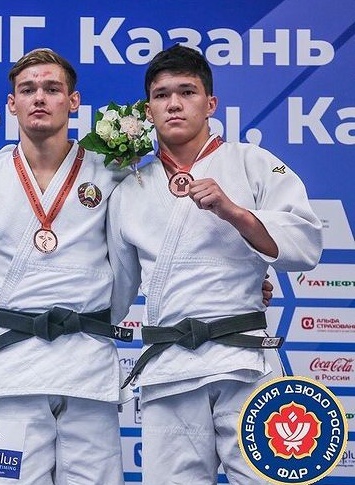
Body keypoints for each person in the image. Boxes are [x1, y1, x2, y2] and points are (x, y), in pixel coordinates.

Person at [107, 44, 323, 484]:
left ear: (210, 104)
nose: (174, 104)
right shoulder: (130, 188)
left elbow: (305, 244)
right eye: (162, 95)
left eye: (187, 92)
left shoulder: (252, 163)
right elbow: (116, 287)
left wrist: (235, 213)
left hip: (244, 360)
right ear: (148, 111)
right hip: (169, 368)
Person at [0, 48, 131, 484]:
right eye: (27, 90)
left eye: (52, 89)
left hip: (87, 363)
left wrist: (104, 317)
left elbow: (130, 265)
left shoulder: (109, 174)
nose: (39, 98)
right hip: (14, 365)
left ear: (73, 101)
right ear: (12, 104)